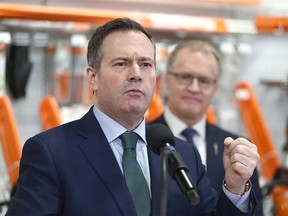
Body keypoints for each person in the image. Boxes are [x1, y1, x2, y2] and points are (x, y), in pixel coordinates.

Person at [6, 18, 260, 215]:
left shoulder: (182, 155)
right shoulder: (51, 152)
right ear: (93, 77)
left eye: (146, 64)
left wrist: (235, 187)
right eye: (121, 63)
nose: (136, 74)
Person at [150, 40, 263, 215]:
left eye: (204, 81)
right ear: (166, 81)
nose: (194, 88)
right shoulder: (140, 139)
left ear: (214, 88)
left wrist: (236, 189)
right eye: (185, 77)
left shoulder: (237, 150)